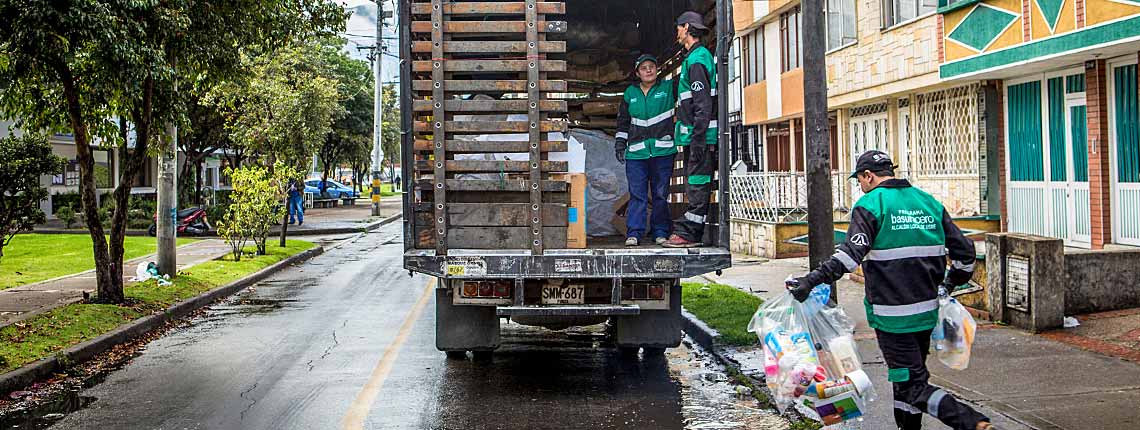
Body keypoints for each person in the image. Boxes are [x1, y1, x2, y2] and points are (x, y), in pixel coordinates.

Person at [785, 150, 993, 430]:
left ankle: (973, 423)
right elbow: (966, 254)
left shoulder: (871, 204)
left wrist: (810, 281)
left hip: (893, 319)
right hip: (926, 314)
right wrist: (949, 284)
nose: (860, 185)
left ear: (868, 176)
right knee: (906, 380)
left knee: (912, 388)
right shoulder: (928, 202)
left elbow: (849, 256)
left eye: (859, 180)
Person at [662, 11, 718, 248]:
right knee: (695, 182)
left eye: (678, 28)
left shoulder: (697, 61)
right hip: (699, 136)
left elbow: (702, 105)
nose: (677, 32)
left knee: (697, 183)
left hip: (701, 137)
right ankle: (690, 230)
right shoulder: (695, 58)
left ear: (686, 28)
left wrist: (697, 139)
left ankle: (691, 233)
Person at [614, 54, 677, 246]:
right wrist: (620, 143)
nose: (648, 70)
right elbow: (623, 122)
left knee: (660, 194)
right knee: (638, 194)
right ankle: (634, 233)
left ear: (657, 69)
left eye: (652, 66)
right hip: (636, 154)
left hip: (663, 152)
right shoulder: (629, 94)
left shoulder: (668, 88)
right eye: (644, 68)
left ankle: (659, 232)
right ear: (637, 73)